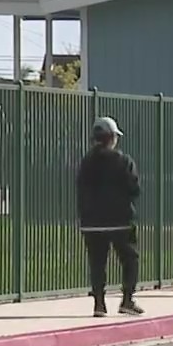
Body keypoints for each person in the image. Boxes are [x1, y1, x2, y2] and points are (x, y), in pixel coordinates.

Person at [75, 115, 143, 317]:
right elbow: (134, 188)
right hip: (120, 221)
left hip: (92, 223)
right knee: (130, 259)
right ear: (112, 137)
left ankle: (99, 304)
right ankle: (127, 299)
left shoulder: (86, 163)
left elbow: (80, 189)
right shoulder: (123, 161)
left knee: (97, 263)